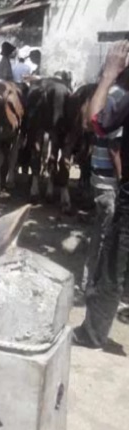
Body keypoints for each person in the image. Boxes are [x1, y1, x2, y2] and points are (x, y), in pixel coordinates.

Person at [73, 40, 129, 349]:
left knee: (110, 259)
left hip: (116, 185)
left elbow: (97, 124)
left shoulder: (119, 96)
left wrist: (107, 76)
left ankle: (93, 332)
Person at [82, 71, 127, 294]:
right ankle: (93, 282)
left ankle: (92, 280)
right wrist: (122, 182)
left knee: (102, 230)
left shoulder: (110, 93)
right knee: (106, 233)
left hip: (103, 176)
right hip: (111, 179)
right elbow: (114, 147)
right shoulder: (121, 97)